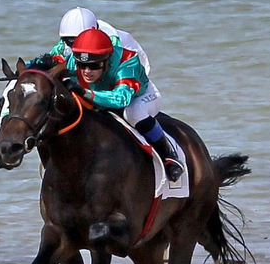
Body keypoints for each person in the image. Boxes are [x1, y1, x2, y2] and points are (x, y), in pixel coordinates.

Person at [64, 26, 183, 183]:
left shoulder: (127, 62)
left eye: (94, 66)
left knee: (133, 113)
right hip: (104, 94)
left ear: (107, 60)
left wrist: (85, 93)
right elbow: (50, 65)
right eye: (82, 65)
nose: (86, 71)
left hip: (139, 96)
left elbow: (121, 99)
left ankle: (169, 155)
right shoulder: (74, 61)